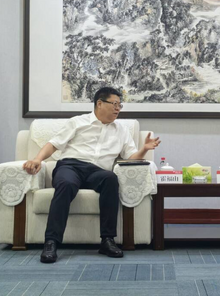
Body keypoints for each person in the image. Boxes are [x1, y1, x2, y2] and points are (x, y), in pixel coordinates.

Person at [23, 87, 161, 263]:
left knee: (111, 179)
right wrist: (37, 159)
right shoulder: (77, 122)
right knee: (66, 184)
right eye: (114, 104)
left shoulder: (121, 130)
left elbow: (131, 157)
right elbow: (54, 144)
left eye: (120, 105)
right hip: (71, 166)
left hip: (97, 171)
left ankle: (107, 240)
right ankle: (51, 242)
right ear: (99, 103)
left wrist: (144, 149)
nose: (118, 109)